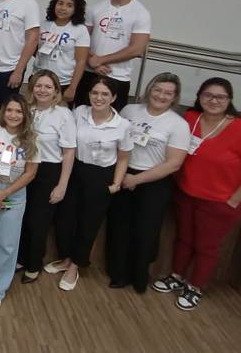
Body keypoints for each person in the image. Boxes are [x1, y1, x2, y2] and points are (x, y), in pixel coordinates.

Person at [152, 78, 241, 311]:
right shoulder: (190, 119)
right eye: (208, 95)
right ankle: (176, 276)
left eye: (220, 97)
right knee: (183, 238)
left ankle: (195, 287)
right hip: (185, 193)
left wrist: (234, 200)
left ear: (229, 100)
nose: (213, 100)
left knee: (206, 246)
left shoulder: (238, 127)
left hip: (219, 201)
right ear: (199, 97)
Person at [45, 76, 132, 291]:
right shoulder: (79, 112)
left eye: (104, 94)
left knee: (88, 223)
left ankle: (76, 265)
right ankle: (66, 258)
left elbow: (123, 157)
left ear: (114, 97)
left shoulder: (122, 125)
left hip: (101, 175)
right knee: (65, 218)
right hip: (76, 169)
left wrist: (116, 183)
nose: (98, 98)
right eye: (95, 93)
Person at [106, 73, 189, 292]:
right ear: (149, 89)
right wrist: (123, 176)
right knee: (119, 227)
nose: (161, 95)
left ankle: (139, 277)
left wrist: (137, 179)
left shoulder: (178, 124)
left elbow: (173, 164)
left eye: (168, 93)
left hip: (154, 181)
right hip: (124, 175)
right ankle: (118, 274)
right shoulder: (129, 111)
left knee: (146, 231)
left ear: (175, 97)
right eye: (157, 89)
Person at [0, 94, 39, 310]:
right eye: (10, 110)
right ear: (4, 112)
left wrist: (6, 193)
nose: (13, 115)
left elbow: (30, 173)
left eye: (19, 111)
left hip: (15, 191)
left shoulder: (32, 138)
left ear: (25, 114)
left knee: (6, 241)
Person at [16, 70, 76, 284]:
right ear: (32, 88)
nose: (42, 90)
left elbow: (69, 152)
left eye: (48, 87)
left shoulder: (63, 115)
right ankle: (20, 258)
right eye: (38, 86)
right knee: (21, 217)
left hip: (48, 172)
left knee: (38, 222)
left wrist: (62, 185)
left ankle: (34, 265)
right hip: (22, 167)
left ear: (56, 91)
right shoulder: (25, 109)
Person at [74, 0, 151, 111]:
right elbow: (81, 39)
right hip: (89, 73)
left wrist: (101, 60)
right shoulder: (95, 9)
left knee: (111, 119)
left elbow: (137, 49)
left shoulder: (141, 13)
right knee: (81, 114)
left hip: (118, 77)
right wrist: (92, 61)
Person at [33, 0, 90, 105]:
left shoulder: (80, 30)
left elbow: (81, 61)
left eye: (69, 5)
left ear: (76, 9)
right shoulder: (44, 24)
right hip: (39, 79)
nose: (63, 8)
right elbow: (35, 49)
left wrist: (72, 88)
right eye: (60, 3)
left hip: (63, 83)